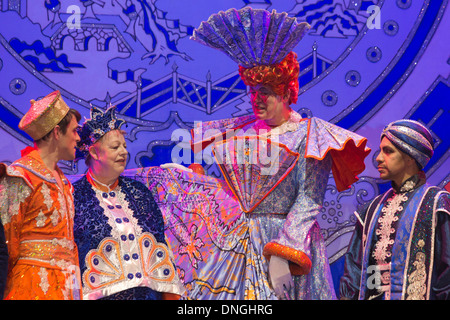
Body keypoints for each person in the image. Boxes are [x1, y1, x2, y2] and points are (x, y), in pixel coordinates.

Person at [153, 7, 371, 300]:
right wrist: (201, 187)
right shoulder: (239, 133)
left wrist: (283, 254)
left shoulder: (309, 135)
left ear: (286, 91)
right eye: (253, 89)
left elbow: (309, 199)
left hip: (288, 241)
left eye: (265, 90)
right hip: (242, 241)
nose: (257, 98)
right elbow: (234, 194)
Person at [72, 106, 185, 300]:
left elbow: (161, 250)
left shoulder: (139, 193)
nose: (124, 152)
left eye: (124, 146)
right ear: (95, 152)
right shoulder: (75, 197)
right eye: (115, 147)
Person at [340, 119, 450, 300]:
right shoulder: (373, 209)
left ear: (410, 157)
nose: (378, 158)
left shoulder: (437, 204)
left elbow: (446, 273)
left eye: (388, 151)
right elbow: (356, 271)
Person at [0, 90, 82, 300]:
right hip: (30, 286)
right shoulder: (20, 176)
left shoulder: (64, 181)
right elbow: (7, 242)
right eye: (74, 131)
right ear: (57, 132)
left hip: (67, 286)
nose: (78, 138)